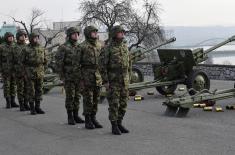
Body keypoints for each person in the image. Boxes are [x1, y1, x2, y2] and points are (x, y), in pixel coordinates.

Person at [99, 25, 130, 135]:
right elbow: (102, 66)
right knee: (114, 104)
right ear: (114, 34)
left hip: (124, 81)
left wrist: (128, 78)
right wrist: (105, 81)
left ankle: (119, 123)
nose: (122, 33)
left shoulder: (125, 47)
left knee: (123, 104)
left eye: (123, 32)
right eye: (120, 32)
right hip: (113, 81)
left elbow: (128, 64)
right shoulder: (108, 48)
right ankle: (114, 126)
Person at [55, 27, 84, 125]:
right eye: (74, 34)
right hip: (68, 76)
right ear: (69, 35)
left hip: (78, 76)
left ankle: (76, 115)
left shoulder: (79, 47)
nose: (76, 35)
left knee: (77, 96)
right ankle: (70, 116)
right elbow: (59, 63)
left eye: (77, 34)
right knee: (70, 97)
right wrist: (62, 76)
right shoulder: (63, 47)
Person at [77, 26, 103, 129]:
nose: (95, 33)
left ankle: (93, 118)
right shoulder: (82, 46)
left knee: (96, 98)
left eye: (96, 32)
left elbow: (102, 61)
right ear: (88, 33)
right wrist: (80, 79)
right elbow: (76, 64)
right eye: (93, 32)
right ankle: (87, 119)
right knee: (88, 99)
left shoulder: (98, 45)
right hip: (86, 75)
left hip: (97, 75)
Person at [21, 33, 47, 115]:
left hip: (40, 72)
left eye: (37, 37)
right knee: (31, 91)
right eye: (35, 38)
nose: (36, 39)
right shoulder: (26, 49)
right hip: (30, 72)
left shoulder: (41, 47)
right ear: (31, 39)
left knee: (39, 90)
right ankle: (32, 108)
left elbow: (45, 59)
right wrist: (24, 73)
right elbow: (22, 62)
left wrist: (43, 69)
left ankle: (38, 107)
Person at [0, 32, 19, 108]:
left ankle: (13, 101)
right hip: (5, 70)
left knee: (13, 85)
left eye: (12, 37)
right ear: (6, 38)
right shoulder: (1, 47)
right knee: (7, 86)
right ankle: (8, 102)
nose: (11, 38)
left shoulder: (15, 46)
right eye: (9, 37)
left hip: (14, 70)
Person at [13, 30, 30, 111]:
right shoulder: (14, 47)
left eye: (24, 35)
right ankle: (21, 105)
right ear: (18, 37)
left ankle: (26, 103)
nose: (23, 37)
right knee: (20, 88)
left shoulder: (28, 46)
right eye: (21, 35)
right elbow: (11, 60)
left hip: (27, 71)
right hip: (18, 71)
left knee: (27, 88)